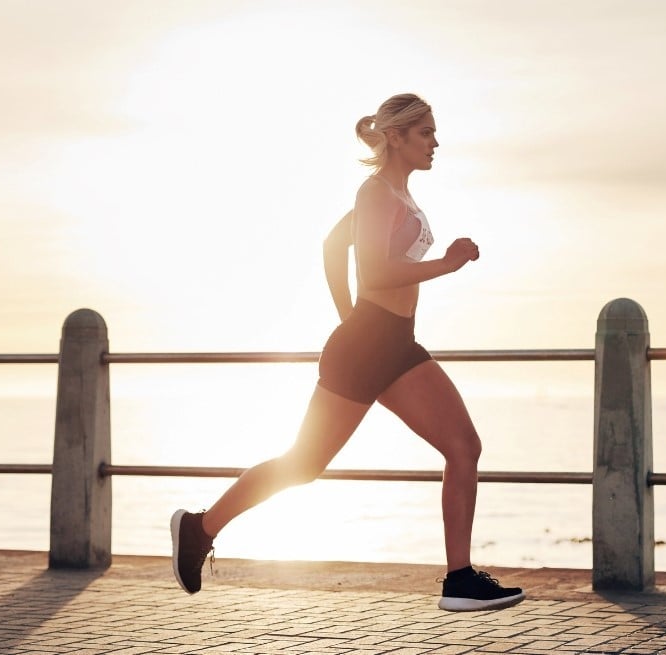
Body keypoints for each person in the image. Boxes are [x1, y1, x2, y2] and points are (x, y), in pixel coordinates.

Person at [171, 93, 525, 612]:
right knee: (303, 465)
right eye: (425, 132)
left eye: (433, 132)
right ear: (397, 137)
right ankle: (199, 529)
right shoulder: (374, 192)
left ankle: (459, 578)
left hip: (395, 344)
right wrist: (442, 266)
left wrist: (352, 317)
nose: (435, 142)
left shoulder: (397, 195)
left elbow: (335, 247)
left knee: (463, 446)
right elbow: (376, 272)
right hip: (367, 346)